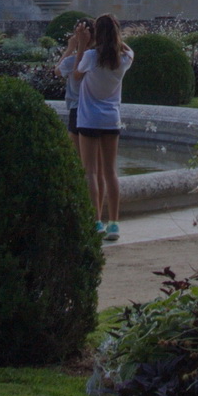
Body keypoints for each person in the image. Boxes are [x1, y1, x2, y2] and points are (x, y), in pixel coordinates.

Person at [76, 15, 135, 240]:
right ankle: (115, 223)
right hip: (111, 118)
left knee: (90, 171)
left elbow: (77, 73)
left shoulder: (91, 56)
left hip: (89, 118)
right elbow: (129, 50)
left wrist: (83, 43)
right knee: (111, 172)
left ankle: (96, 221)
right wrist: (116, 40)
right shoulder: (125, 58)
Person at [57, 18, 93, 146]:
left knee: (76, 153)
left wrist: (70, 48)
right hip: (96, 108)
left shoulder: (70, 61)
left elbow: (57, 71)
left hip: (77, 108)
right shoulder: (98, 57)